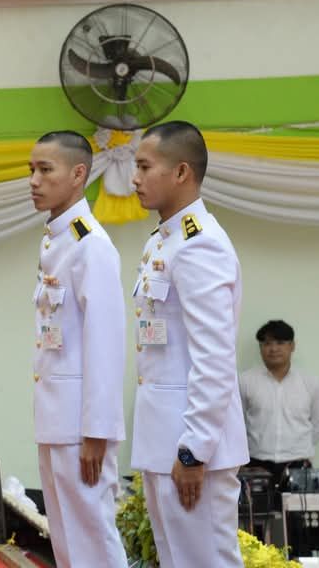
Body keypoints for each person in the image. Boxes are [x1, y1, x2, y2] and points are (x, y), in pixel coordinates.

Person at [129, 120, 249, 568]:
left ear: (181, 172)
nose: (134, 178)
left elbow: (214, 358)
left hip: (192, 448)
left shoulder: (199, 246)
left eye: (144, 166)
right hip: (167, 440)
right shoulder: (167, 241)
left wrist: (193, 449)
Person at [26, 131, 128, 567]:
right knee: (67, 539)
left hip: (81, 428)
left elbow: (105, 346)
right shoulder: (56, 240)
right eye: (31, 169)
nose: (33, 179)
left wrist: (97, 433)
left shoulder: (92, 246)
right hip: (56, 418)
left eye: (45, 170)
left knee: (93, 537)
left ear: (78, 174)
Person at [239, 319, 319, 490]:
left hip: (299, 467)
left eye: (280, 342)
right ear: (260, 348)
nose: (273, 349)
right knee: (257, 516)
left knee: (299, 516)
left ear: (292, 346)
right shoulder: (245, 381)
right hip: (256, 465)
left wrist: (296, 449)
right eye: (266, 343)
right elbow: (238, 423)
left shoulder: (311, 382)